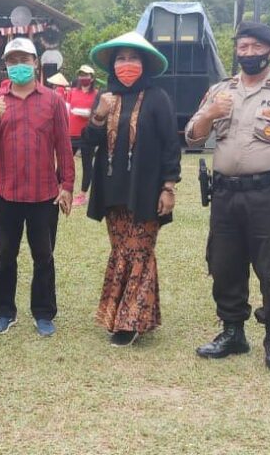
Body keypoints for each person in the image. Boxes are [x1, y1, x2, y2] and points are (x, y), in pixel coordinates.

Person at [185, 21, 270, 373]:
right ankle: (233, 332)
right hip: (225, 194)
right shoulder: (220, 90)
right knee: (224, 265)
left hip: (267, 196)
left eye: (256, 47)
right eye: (242, 47)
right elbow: (192, 136)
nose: (248, 53)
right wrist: (210, 113)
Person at [80, 32, 181, 347]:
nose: (127, 64)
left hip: (146, 189)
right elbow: (89, 142)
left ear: (144, 63)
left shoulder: (158, 98)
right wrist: (99, 115)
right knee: (121, 250)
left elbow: (171, 145)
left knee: (139, 250)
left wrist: (168, 187)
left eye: (133, 58)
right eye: (121, 58)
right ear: (112, 65)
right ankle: (120, 315)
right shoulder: (105, 97)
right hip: (112, 189)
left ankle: (131, 322)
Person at [0, 38, 75, 337]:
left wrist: (67, 185)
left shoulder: (52, 101)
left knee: (44, 256)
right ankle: (4, 312)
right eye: (12, 61)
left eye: (24, 60)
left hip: (45, 194)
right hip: (6, 194)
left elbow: (63, 146)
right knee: (5, 256)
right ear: (6, 65)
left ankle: (43, 313)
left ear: (35, 63)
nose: (18, 65)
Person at [68, 65, 98, 207]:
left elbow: (98, 113)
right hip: (71, 132)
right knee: (66, 162)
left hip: (87, 133)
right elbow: (67, 109)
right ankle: (61, 188)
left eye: (86, 75)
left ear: (92, 78)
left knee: (87, 164)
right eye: (81, 75)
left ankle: (82, 195)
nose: (83, 77)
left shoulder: (96, 94)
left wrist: (89, 114)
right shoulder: (72, 92)